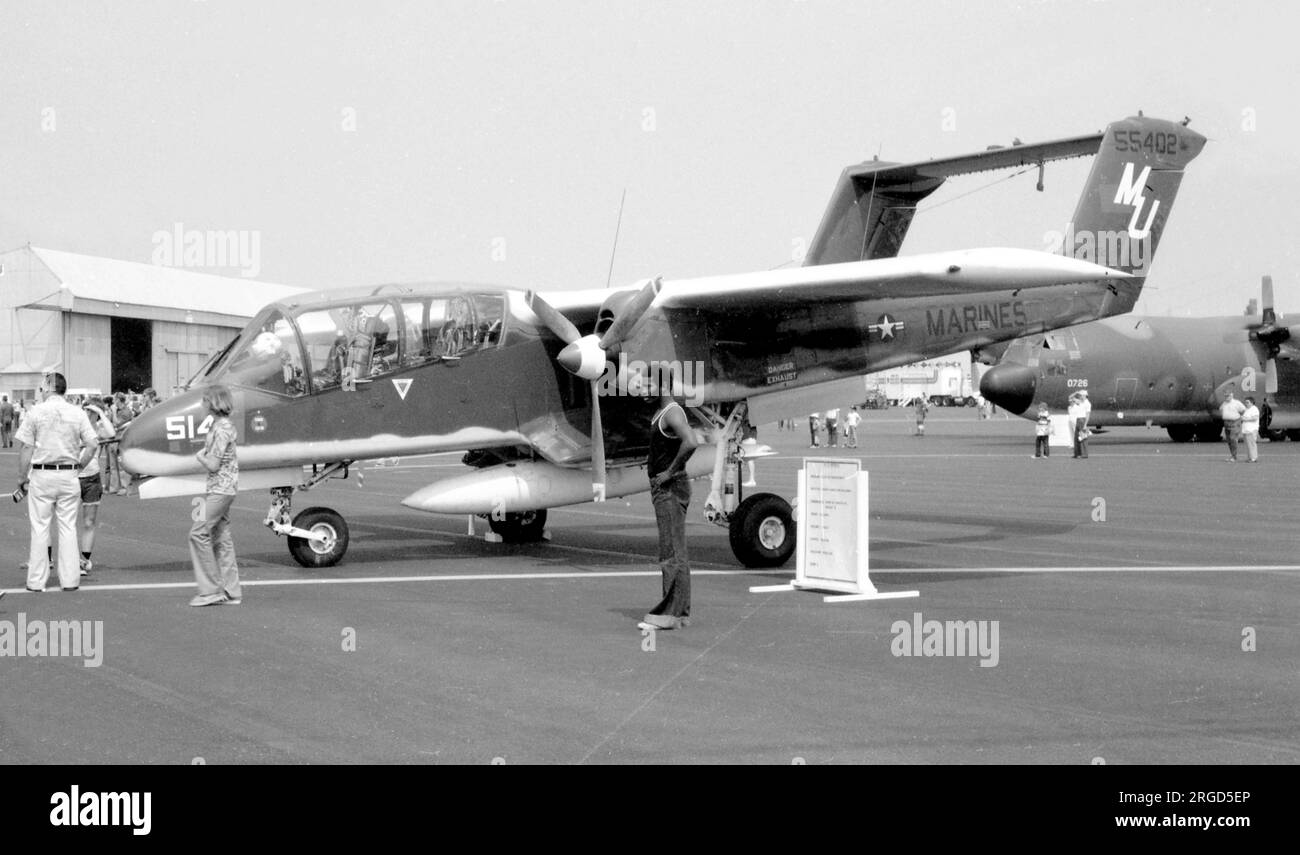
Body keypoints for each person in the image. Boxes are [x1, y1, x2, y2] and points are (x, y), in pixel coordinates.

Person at [14, 373, 99, 592]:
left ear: (49, 388)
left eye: (42, 387)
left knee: (40, 527)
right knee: (68, 527)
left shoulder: (35, 412)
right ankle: (70, 580)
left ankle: (36, 580)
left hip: (42, 474)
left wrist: (22, 478)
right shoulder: (77, 412)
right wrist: (79, 466)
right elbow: (92, 444)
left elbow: (26, 447)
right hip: (68, 474)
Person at [638, 376, 698, 632]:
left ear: (663, 386)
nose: (642, 390)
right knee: (676, 552)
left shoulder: (671, 413)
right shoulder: (663, 412)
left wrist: (670, 472)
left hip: (669, 488)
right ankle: (679, 613)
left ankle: (669, 615)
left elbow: (691, 442)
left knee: (671, 553)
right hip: (667, 488)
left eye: (647, 385)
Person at [189, 385, 242, 606]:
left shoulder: (221, 430)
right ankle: (231, 591)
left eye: (204, 401)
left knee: (198, 532)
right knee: (222, 537)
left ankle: (210, 590)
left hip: (219, 489)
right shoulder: (223, 426)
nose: (202, 405)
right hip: (222, 488)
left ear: (213, 403)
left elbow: (213, 464)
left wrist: (200, 456)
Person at [77, 404, 115, 575]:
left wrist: (101, 412)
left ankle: (84, 560)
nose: (88, 413)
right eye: (87, 410)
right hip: (73, 476)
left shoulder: (98, 429)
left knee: (89, 522)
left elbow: (112, 433)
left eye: (91, 411)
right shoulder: (76, 424)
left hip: (91, 478)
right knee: (67, 522)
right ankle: (64, 559)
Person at [1219, 391, 1246, 462]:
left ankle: (1234, 456)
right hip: (1226, 423)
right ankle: (1233, 455)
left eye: (1228, 396)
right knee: (1229, 440)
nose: (1226, 397)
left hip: (1235, 422)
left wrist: (1240, 418)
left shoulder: (1237, 403)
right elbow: (1220, 409)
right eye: (1225, 396)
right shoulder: (1224, 403)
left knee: (1233, 438)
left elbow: (1243, 410)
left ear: (1232, 396)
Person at [1241, 396, 1261, 463]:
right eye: (1245, 402)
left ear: (1252, 403)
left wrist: (1245, 419)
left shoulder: (1254, 409)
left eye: (1247, 402)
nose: (1246, 404)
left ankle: (1253, 458)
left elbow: (1255, 418)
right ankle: (1250, 457)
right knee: (1248, 445)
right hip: (1246, 430)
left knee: (1252, 444)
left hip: (1251, 430)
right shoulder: (1246, 410)